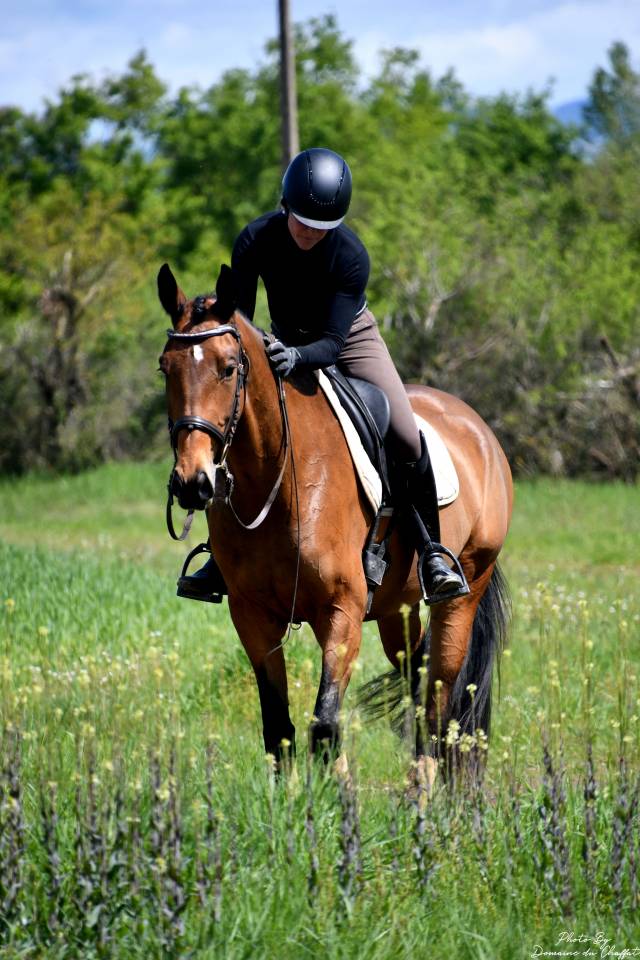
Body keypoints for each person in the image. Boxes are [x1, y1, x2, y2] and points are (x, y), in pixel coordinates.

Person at [178, 147, 466, 604]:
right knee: (237, 427)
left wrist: (297, 356)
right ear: (285, 206)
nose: (311, 232)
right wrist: (267, 357)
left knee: (406, 436)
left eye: (322, 227)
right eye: (303, 221)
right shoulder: (253, 240)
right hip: (281, 340)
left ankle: (434, 554)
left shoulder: (350, 254)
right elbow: (242, 326)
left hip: (350, 339)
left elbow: (332, 343)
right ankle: (220, 555)